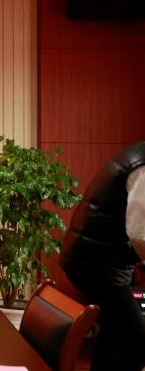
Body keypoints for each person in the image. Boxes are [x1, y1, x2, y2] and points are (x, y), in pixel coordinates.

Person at [58, 141, 145, 371]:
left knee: (115, 332)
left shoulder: (138, 154)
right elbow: (140, 235)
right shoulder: (143, 166)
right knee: (137, 342)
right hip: (96, 263)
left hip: (93, 258)